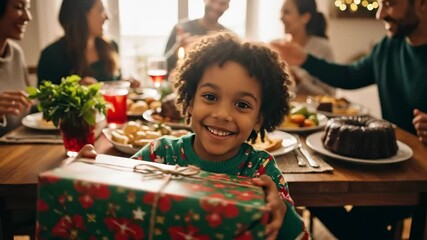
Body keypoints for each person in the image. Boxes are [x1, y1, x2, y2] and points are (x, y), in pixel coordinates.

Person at [79, 32, 310, 240]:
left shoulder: (262, 171)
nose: (222, 114)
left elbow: (300, 236)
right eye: (210, 97)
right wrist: (90, 175)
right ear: (189, 102)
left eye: (242, 104)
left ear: (259, 118)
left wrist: (282, 211)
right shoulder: (159, 154)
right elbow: (113, 202)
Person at [270, 0, 427, 239]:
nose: (380, 14)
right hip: (386, 164)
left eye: (390, 4)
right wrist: (304, 59)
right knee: (316, 195)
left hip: (418, 176)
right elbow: (349, 76)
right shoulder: (388, 47)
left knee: (347, 219)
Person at [37, 0, 139, 87]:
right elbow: (45, 101)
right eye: (101, 10)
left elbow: (112, 88)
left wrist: (125, 84)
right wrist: (76, 91)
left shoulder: (111, 46)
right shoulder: (51, 55)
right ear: (81, 15)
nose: (107, 17)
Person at [270, 0, 335, 96]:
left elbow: (329, 94)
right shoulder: (278, 45)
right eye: (281, 12)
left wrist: (298, 80)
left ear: (305, 17)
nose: (281, 18)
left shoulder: (322, 47)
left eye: (287, 12)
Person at [164, 0, 231, 73]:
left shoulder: (228, 37)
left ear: (227, 7)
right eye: (213, 1)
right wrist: (177, 48)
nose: (216, 7)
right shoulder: (182, 27)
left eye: (222, 3)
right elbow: (164, 67)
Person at [0, 0, 33, 136]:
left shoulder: (17, 53)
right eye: (18, 7)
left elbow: (30, 107)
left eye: (28, 8)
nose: (28, 17)